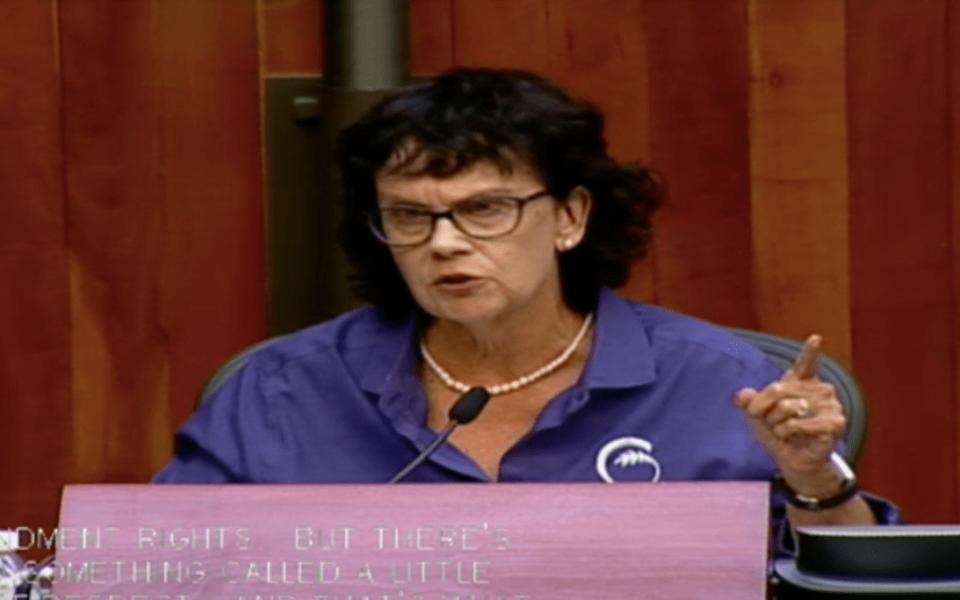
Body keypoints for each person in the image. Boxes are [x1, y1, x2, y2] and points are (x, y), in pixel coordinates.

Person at [155, 68, 899, 553]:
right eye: (410, 216)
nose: (444, 243)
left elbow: (860, 588)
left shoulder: (717, 383)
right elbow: (161, 566)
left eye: (486, 209)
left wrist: (814, 479)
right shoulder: (282, 390)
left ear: (570, 217)